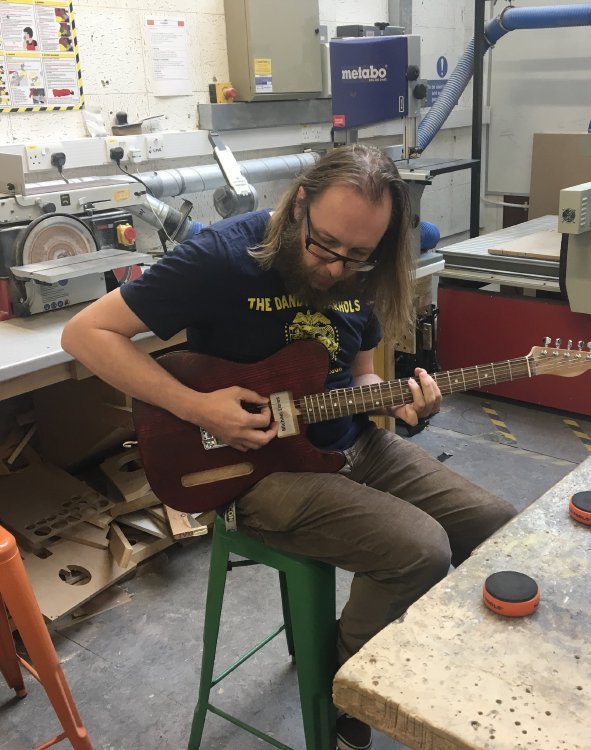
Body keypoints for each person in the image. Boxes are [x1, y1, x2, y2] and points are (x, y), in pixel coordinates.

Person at [61, 144, 516, 750]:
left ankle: (380, 655)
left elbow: (360, 376)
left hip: (345, 442)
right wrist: (195, 406)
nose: (334, 268)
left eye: (356, 256)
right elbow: (85, 333)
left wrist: (397, 400)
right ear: (300, 203)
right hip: (251, 471)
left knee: (497, 524)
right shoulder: (224, 257)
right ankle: (345, 682)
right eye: (323, 245)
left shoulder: (364, 269)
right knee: (420, 550)